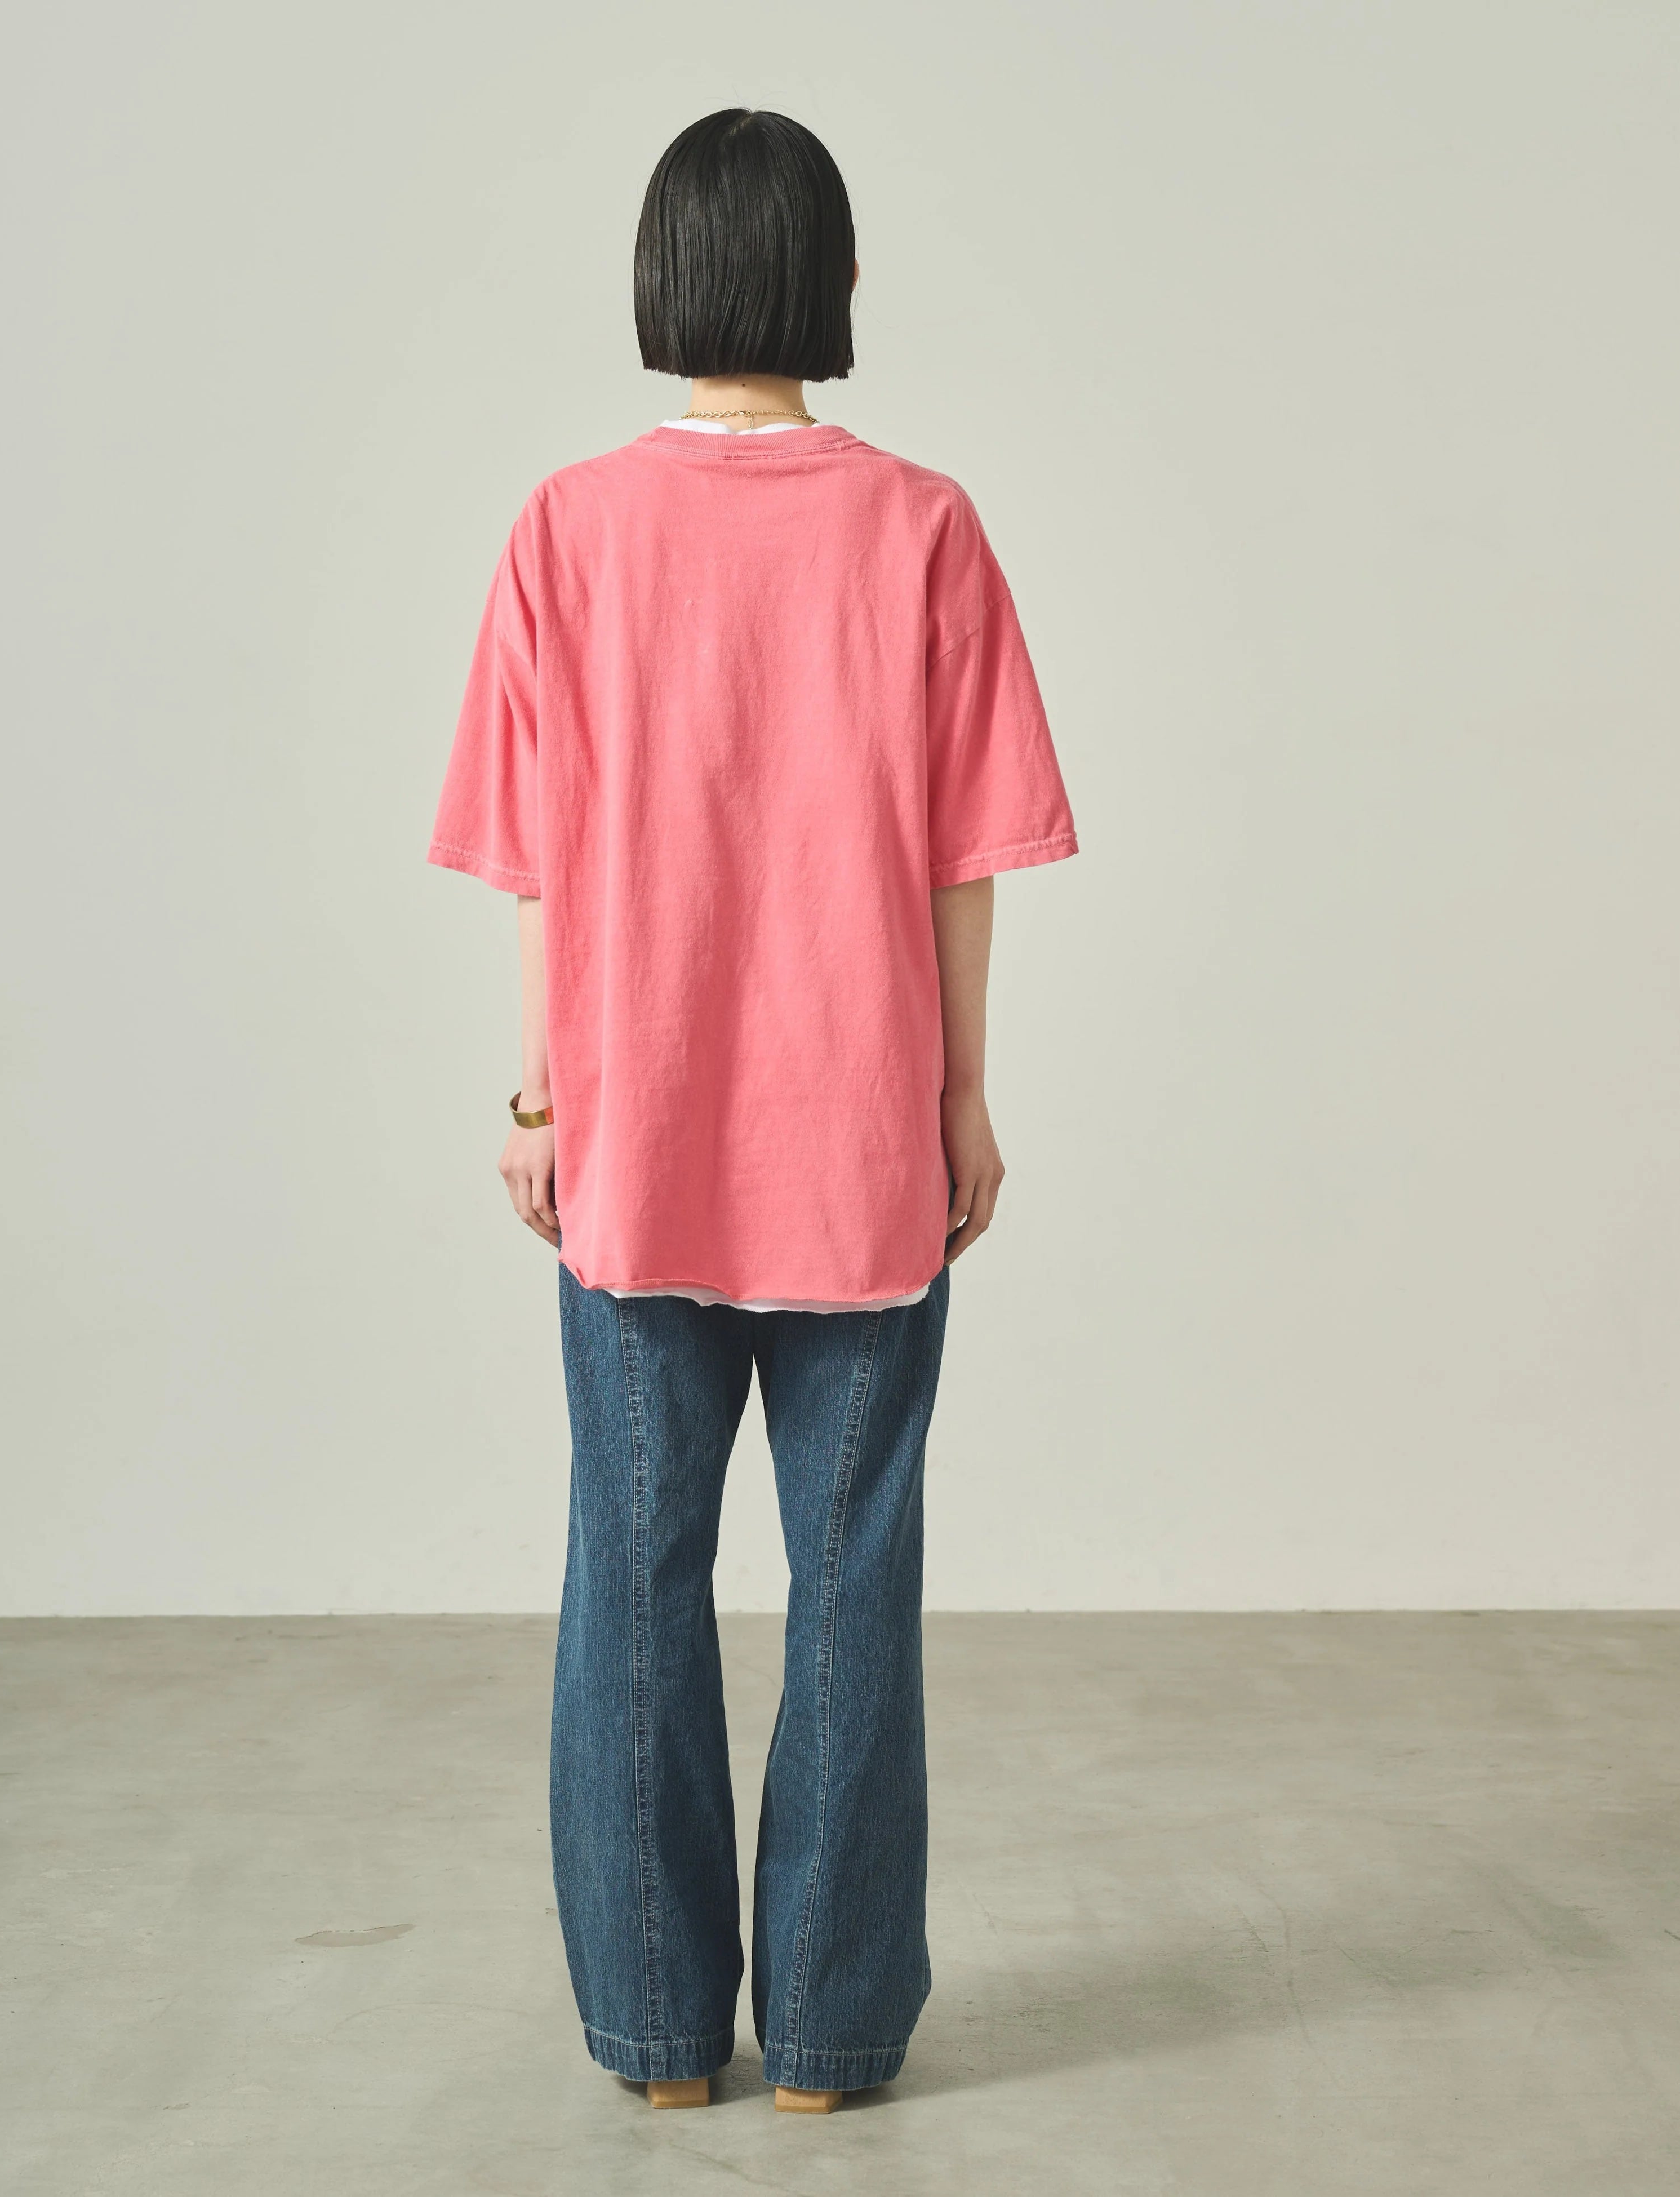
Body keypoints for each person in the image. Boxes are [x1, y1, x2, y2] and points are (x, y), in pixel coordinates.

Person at [428, 107, 1076, 2115]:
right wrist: (961, 1096)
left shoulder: (566, 528)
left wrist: (541, 1096)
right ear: (838, 284)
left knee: (631, 1574)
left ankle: (655, 2039)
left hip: (639, 1138)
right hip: (860, 1137)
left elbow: (536, 865)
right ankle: (829, 2036)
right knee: (852, 1571)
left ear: (661, 281)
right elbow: (964, 858)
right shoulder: (925, 527)